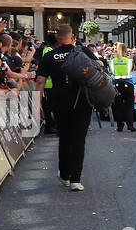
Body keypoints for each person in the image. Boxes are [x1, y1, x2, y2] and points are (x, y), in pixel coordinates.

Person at [36, 23, 100, 190]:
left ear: (57, 37)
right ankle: (75, 180)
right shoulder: (82, 51)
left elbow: (40, 81)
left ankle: (64, 174)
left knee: (64, 138)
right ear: (72, 37)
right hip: (82, 101)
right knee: (79, 139)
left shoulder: (49, 56)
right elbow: (99, 66)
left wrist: (37, 104)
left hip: (59, 101)